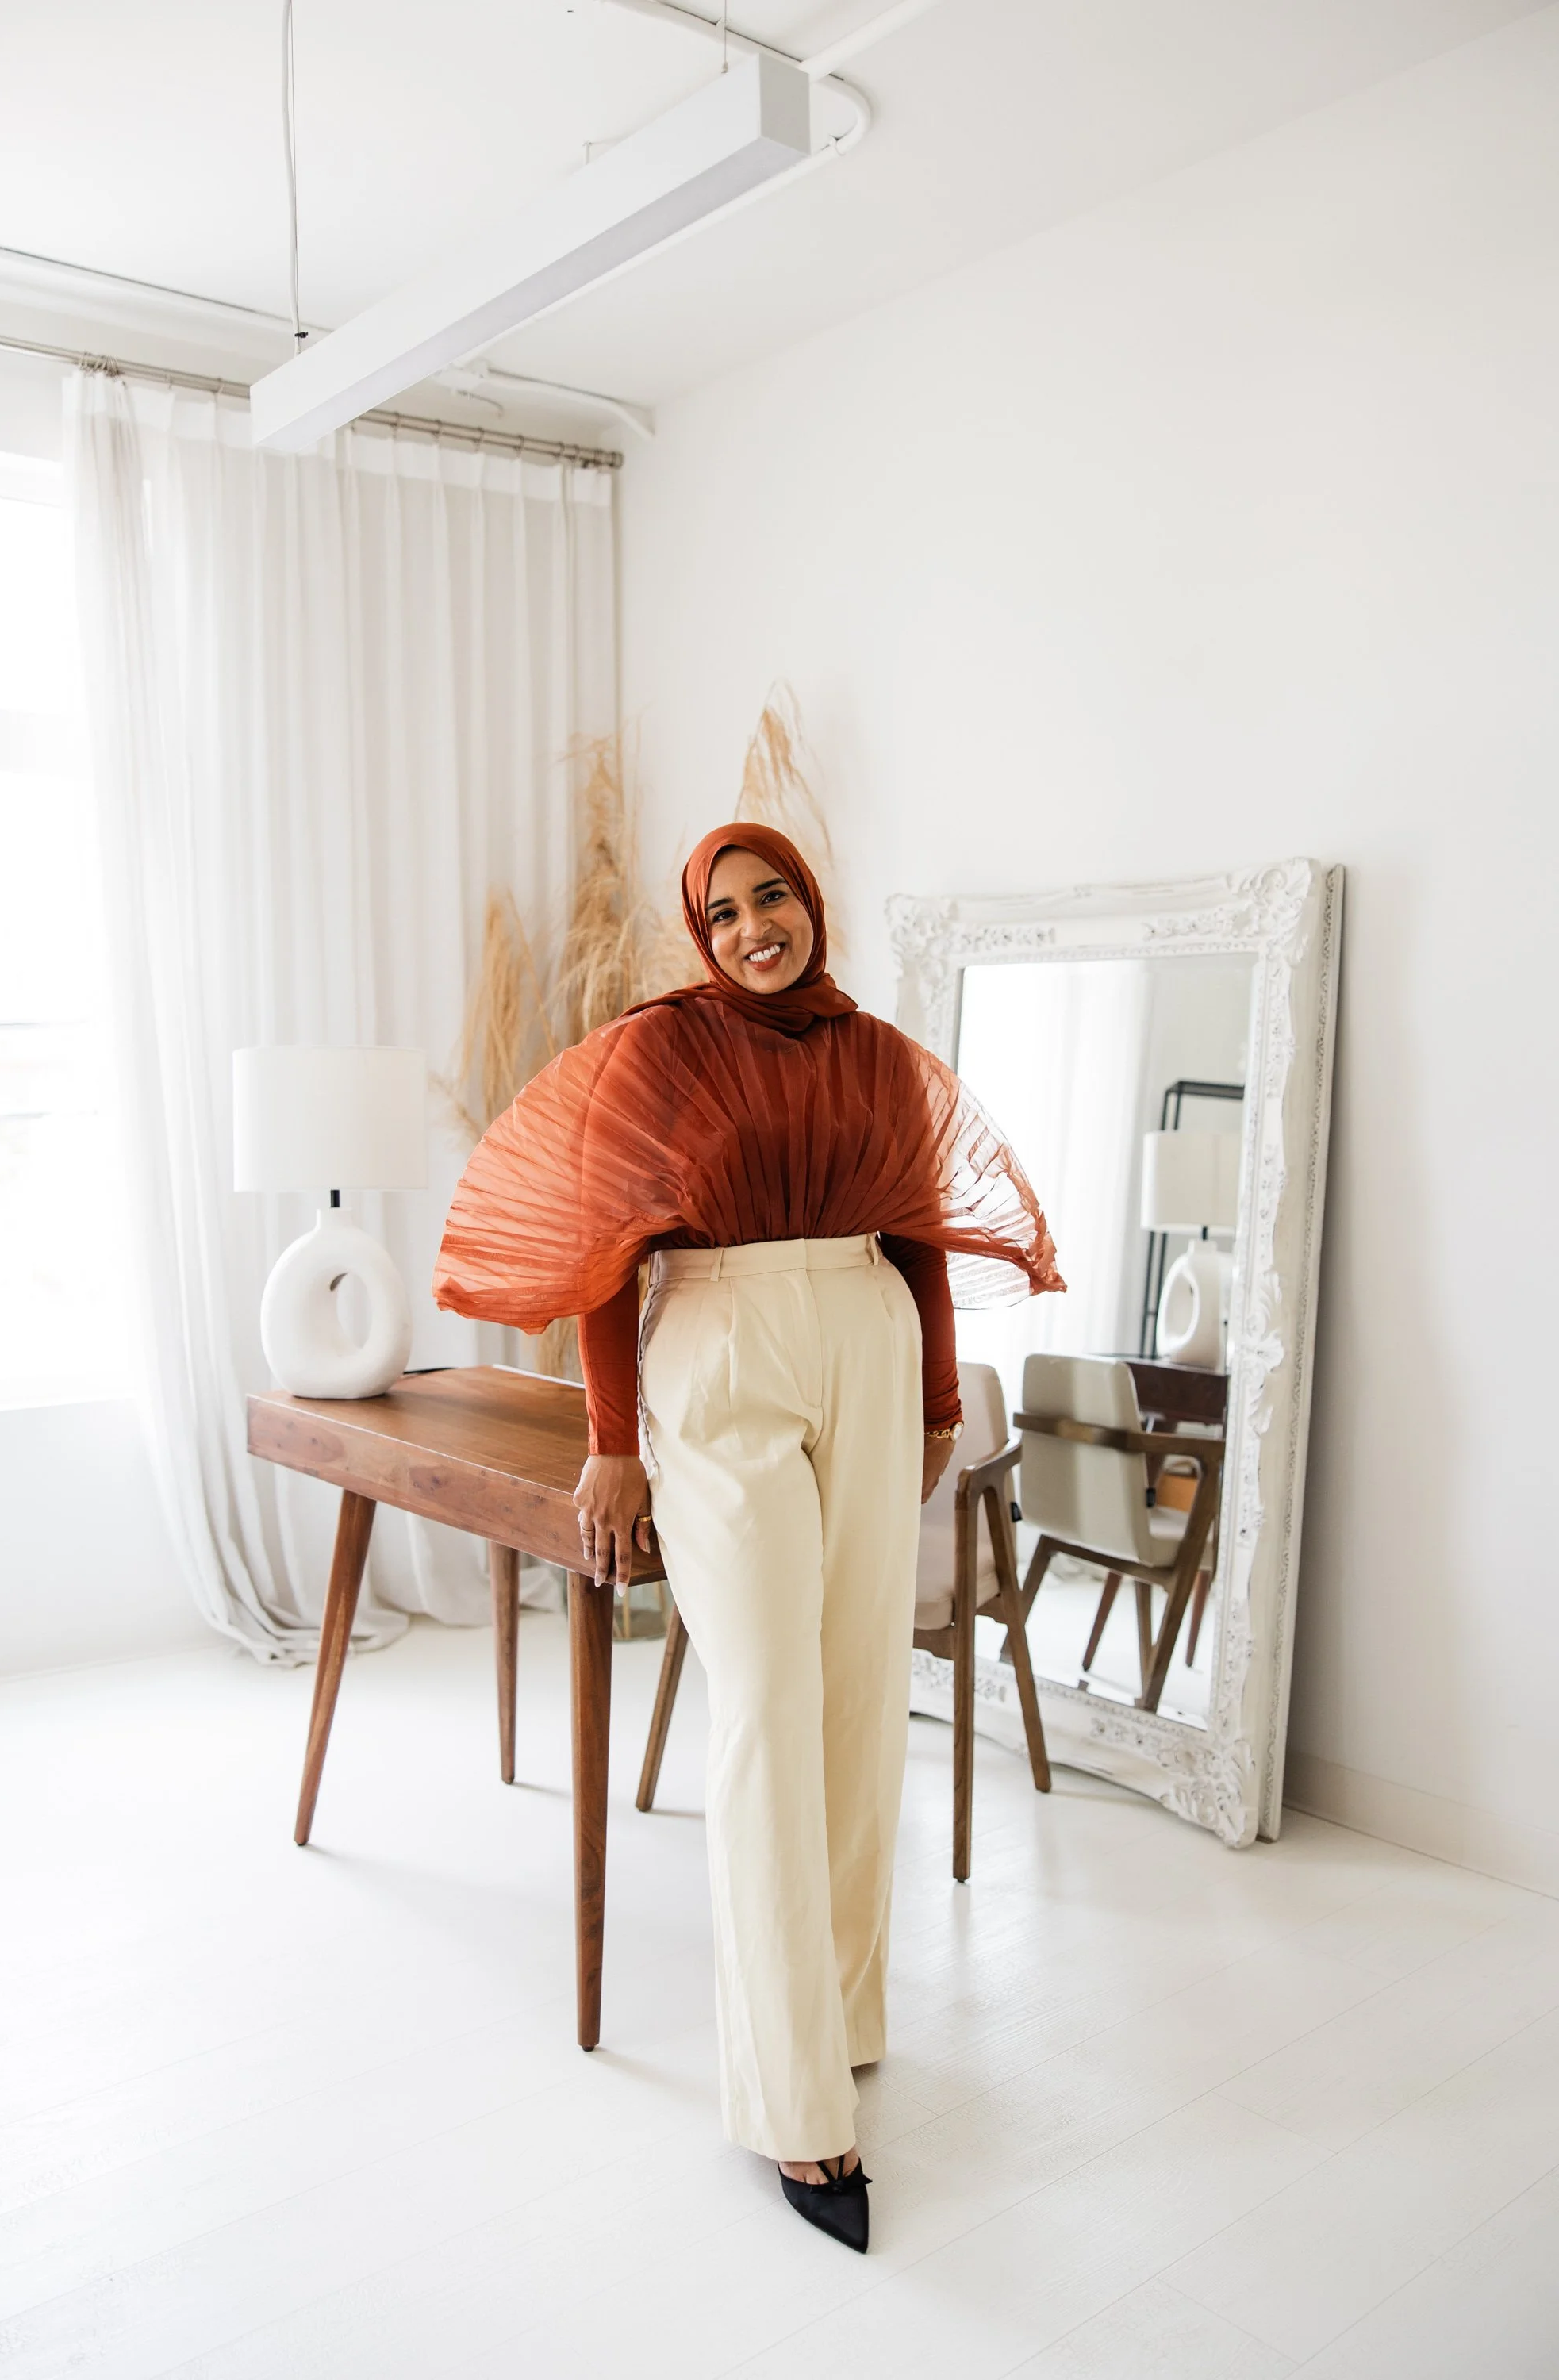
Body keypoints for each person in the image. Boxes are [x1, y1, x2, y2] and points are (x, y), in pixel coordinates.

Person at [435, 824, 1061, 2253]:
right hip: (715, 1349)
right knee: (770, 1708)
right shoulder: (661, 1053)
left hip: (867, 1336)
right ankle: (793, 2112)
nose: (753, 927)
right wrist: (609, 1442)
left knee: (856, 1697)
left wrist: (940, 1403)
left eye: (771, 896)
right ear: (699, 934)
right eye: (722, 912)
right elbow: (605, 1253)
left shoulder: (878, 1053)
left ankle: (837, 2012)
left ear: (810, 904)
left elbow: (917, 1237)